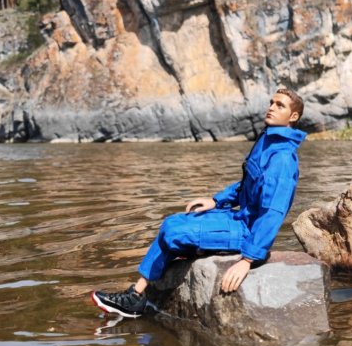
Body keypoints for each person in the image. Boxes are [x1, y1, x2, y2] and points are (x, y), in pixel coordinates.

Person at [91, 87, 306, 320]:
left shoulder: (283, 158)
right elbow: (247, 184)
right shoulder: (267, 140)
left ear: (293, 117)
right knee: (173, 221)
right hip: (238, 217)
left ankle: (136, 298)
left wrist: (247, 260)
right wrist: (215, 201)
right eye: (272, 102)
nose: (271, 107)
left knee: (174, 232)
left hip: (247, 232)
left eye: (280, 105)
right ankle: (136, 294)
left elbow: (272, 212)